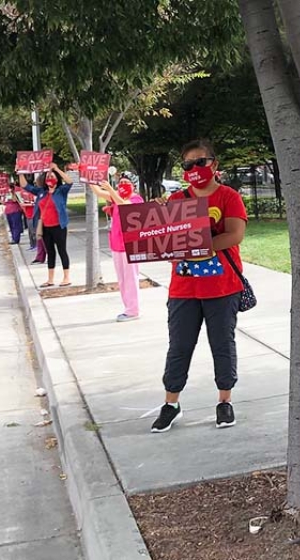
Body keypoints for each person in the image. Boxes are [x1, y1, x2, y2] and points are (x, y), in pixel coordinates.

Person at [151, 139, 248, 433]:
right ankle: (171, 403)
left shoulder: (229, 197)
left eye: (200, 162)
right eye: (188, 165)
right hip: (183, 289)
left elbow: (235, 234)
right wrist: (155, 219)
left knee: (222, 345)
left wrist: (199, 245)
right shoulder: (176, 201)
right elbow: (161, 239)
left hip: (222, 288)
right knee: (179, 347)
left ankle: (224, 401)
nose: (194, 169)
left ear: (214, 164)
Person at [88, 178, 144, 321]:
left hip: (130, 245)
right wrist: (88, 177)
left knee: (131, 277)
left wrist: (111, 190)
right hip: (117, 244)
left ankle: (133, 310)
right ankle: (128, 308)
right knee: (122, 279)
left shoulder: (136, 199)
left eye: (126, 182)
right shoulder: (115, 197)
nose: (123, 185)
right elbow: (98, 191)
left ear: (133, 185)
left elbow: (124, 205)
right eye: (121, 183)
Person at [21, 163, 74, 287]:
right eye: (48, 176)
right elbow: (25, 186)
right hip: (45, 227)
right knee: (50, 252)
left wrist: (56, 169)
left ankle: (66, 277)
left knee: (62, 251)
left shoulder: (61, 191)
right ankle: (50, 279)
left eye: (52, 176)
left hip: (59, 226)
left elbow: (70, 182)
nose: (50, 178)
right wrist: (20, 172)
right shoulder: (41, 192)